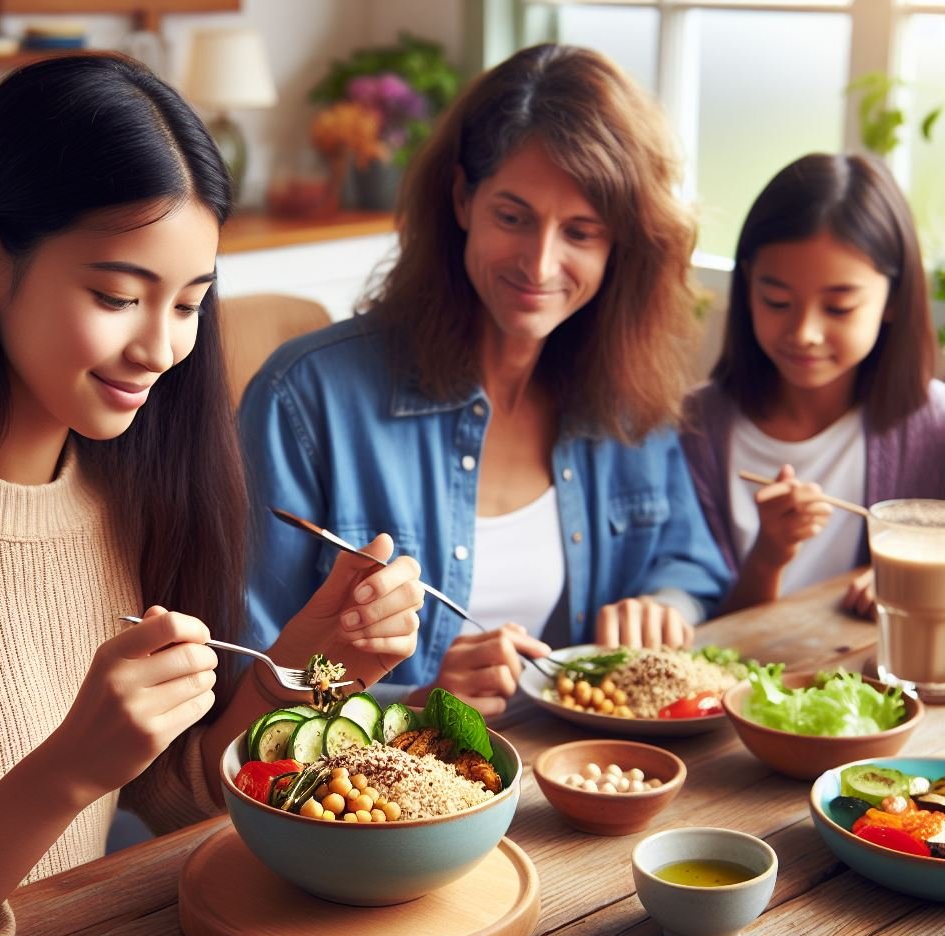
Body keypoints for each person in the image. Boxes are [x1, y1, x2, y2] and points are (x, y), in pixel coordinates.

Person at [0, 55, 423, 936]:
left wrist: (316, 666)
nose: (161, 347)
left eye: (189, 303)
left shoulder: (127, 498)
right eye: (117, 297)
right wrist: (67, 771)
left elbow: (178, 793)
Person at [239, 44, 730, 716]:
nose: (540, 262)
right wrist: (417, 703)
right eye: (513, 216)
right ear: (464, 198)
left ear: (622, 246)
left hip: (579, 779)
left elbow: (692, 563)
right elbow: (243, 674)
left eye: (581, 232)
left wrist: (662, 607)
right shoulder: (305, 398)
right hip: (381, 805)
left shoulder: (627, 400)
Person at [681, 152, 945, 615]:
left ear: (893, 299)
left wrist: (911, 570)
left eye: (839, 308)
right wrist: (770, 554)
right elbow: (709, 632)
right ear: (747, 288)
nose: (804, 332)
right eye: (777, 300)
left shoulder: (934, 432)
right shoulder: (693, 432)